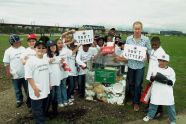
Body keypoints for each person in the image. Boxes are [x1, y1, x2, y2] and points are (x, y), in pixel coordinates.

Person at [143, 53, 176, 124]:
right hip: (157, 90)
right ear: (158, 60)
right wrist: (152, 78)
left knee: (170, 105)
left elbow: (171, 82)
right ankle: (149, 116)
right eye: (160, 60)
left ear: (167, 62)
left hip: (167, 91)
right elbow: (151, 79)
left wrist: (164, 79)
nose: (162, 62)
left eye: (164, 61)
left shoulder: (171, 70)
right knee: (153, 103)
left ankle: (173, 120)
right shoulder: (154, 68)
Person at [125, 21, 151, 111]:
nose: (137, 30)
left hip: (140, 66)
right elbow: (126, 51)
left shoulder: (146, 39)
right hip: (130, 65)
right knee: (131, 83)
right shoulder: (128, 39)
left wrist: (146, 57)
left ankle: (136, 103)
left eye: (138, 29)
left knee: (138, 84)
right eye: (135, 28)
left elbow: (149, 51)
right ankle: (133, 99)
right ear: (133, 29)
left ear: (141, 29)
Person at [25, 40, 51, 124]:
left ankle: (40, 120)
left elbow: (48, 73)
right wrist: (35, 88)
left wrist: (49, 84)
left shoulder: (46, 59)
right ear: (34, 49)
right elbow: (29, 77)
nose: (41, 49)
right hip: (37, 90)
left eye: (43, 48)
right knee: (37, 110)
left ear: (46, 49)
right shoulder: (30, 61)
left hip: (45, 88)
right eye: (38, 47)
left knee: (43, 108)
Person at [3, 34, 29, 108]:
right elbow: (6, 63)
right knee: (17, 89)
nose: (19, 42)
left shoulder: (23, 49)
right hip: (15, 74)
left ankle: (29, 100)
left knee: (27, 88)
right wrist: (8, 73)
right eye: (17, 42)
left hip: (25, 73)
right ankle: (19, 100)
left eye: (19, 41)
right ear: (12, 43)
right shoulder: (8, 51)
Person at [145, 36, 166, 117]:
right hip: (151, 75)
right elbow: (150, 61)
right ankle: (150, 107)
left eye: (155, 45)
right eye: (152, 45)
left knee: (157, 93)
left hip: (156, 76)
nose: (154, 46)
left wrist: (156, 76)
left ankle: (159, 110)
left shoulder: (161, 52)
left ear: (159, 43)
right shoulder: (153, 50)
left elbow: (162, 66)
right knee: (152, 92)